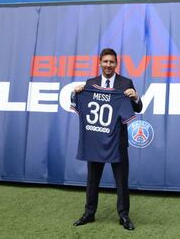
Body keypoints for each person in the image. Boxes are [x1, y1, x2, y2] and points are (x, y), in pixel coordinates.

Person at [72, 48, 143, 230]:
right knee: (92, 179)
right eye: (105, 62)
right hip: (95, 140)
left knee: (121, 180)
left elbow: (138, 108)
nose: (108, 65)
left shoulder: (125, 82)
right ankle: (89, 213)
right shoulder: (90, 83)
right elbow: (77, 103)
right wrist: (76, 92)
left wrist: (135, 97)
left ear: (116, 64)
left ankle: (124, 216)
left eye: (112, 62)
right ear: (100, 62)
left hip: (118, 141)